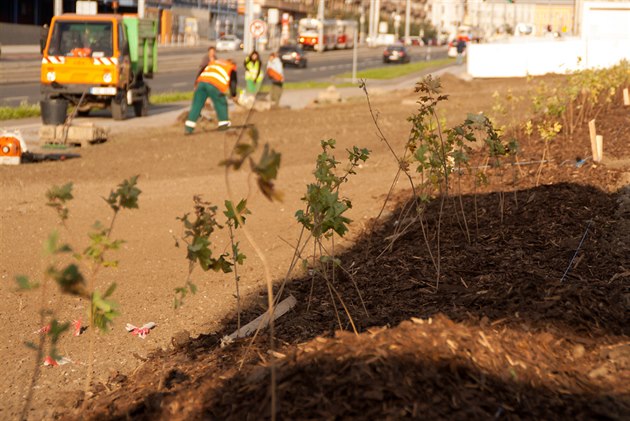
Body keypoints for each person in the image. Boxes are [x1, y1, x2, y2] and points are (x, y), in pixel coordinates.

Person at [185, 58, 237, 134]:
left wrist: (196, 84)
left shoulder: (214, 63)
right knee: (221, 103)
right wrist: (234, 95)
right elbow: (233, 83)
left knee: (196, 105)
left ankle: (188, 128)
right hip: (215, 84)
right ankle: (224, 124)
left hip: (201, 82)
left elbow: (202, 70)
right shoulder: (230, 67)